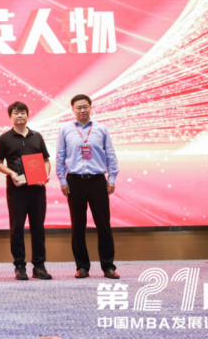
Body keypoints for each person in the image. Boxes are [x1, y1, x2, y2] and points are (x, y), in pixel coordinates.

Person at [56, 94, 120, 280]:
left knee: (103, 224)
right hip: (74, 181)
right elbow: (60, 156)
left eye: (85, 107)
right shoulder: (65, 130)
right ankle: (82, 266)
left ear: (90, 107)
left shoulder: (101, 129)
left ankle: (108, 266)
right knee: (78, 226)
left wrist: (112, 178)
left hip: (97, 181)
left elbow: (110, 154)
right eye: (78, 107)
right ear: (73, 109)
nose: (82, 110)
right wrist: (62, 181)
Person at [0, 102, 53, 281]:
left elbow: (46, 161)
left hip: (37, 189)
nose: (19, 115)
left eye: (22, 112)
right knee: (17, 228)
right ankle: (19, 266)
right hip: (17, 190)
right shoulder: (4, 138)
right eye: (16, 113)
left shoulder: (37, 136)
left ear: (28, 115)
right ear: (10, 116)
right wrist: (12, 173)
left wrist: (44, 175)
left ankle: (39, 266)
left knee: (38, 227)